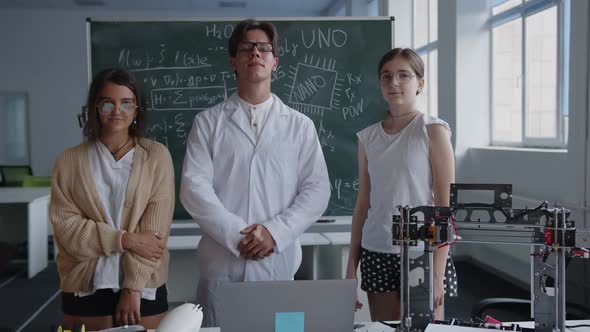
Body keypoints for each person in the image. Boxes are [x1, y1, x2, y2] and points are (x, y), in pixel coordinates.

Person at [179, 19, 331, 327]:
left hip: (278, 263)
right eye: (246, 48)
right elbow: (194, 189)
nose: (255, 54)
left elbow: (317, 190)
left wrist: (274, 233)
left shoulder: (299, 125)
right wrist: (239, 237)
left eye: (264, 48)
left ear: (275, 62)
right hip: (222, 265)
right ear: (233, 60)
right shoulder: (208, 123)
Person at [50, 68, 174, 330]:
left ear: (137, 109)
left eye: (126, 103)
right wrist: (125, 239)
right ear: (95, 107)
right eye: (108, 103)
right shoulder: (68, 161)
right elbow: (68, 231)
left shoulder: (156, 156)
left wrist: (132, 289)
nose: (117, 110)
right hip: (86, 284)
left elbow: (155, 234)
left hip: (144, 286)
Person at [345, 48, 457, 321]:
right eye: (386, 76)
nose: (394, 83)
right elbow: (363, 204)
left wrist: (438, 272)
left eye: (403, 75)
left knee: (427, 328)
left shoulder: (432, 130)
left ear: (419, 83)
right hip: (377, 249)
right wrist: (351, 267)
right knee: (384, 328)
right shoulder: (368, 137)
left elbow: (445, 208)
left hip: (423, 252)